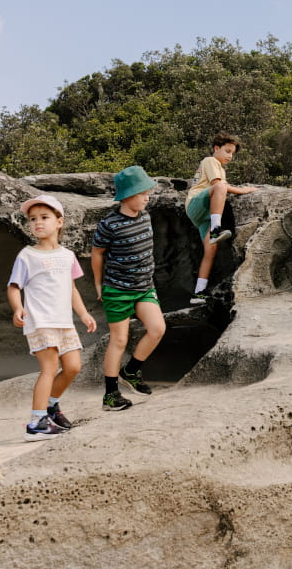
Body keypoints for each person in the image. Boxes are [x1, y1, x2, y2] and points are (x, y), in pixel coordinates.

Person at [7, 194, 97, 441]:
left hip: (64, 322)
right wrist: (17, 308)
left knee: (73, 367)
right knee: (50, 368)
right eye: (33, 219)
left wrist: (83, 313)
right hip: (40, 320)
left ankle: (51, 407)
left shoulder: (67, 256)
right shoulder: (27, 255)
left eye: (44, 217)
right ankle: (36, 423)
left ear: (59, 222)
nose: (37, 223)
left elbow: (72, 289)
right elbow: (14, 286)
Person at [91, 165, 166, 411]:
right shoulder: (109, 224)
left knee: (157, 329)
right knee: (119, 340)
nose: (147, 197)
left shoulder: (146, 216)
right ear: (128, 196)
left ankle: (131, 371)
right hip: (117, 289)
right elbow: (97, 253)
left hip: (144, 287)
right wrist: (98, 284)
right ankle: (110, 395)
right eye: (143, 193)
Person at [184, 132, 258, 304]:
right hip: (196, 204)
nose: (230, 156)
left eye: (232, 153)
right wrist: (244, 190)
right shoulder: (210, 161)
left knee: (210, 251)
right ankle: (217, 229)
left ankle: (198, 293)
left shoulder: (220, 168)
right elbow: (218, 185)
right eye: (227, 151)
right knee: (220, 186)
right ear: (216, 148)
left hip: (203, 216)